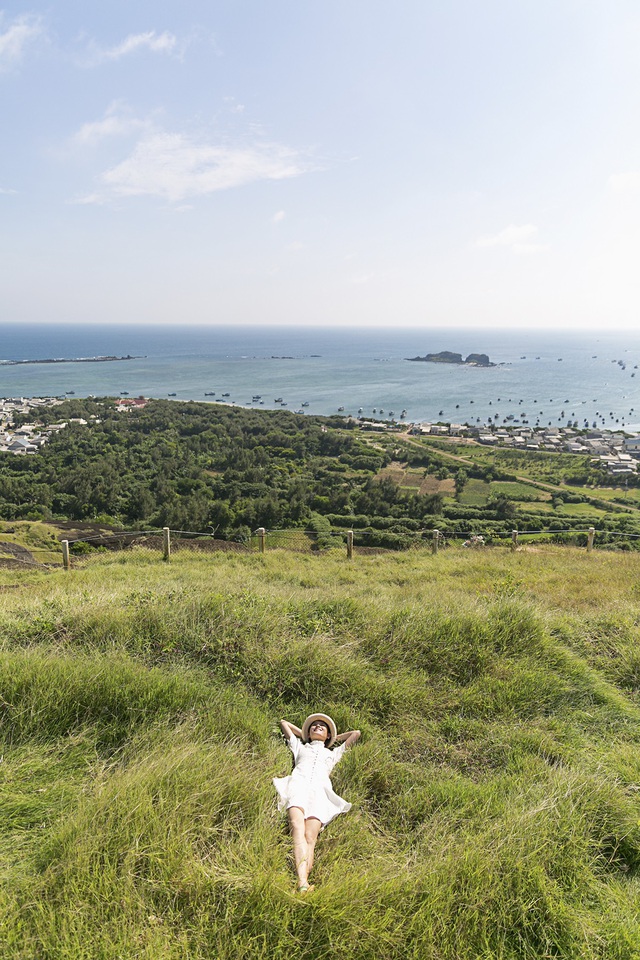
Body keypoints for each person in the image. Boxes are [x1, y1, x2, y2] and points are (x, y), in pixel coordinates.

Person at [274, 713, 361, 893]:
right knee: (296, 826)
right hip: (298, 785)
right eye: (314, 725)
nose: (317, 726)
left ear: (329, 735)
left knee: (310, 838)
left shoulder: (333, 753)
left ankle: (303, 884)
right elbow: (284, 724)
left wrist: (332, 738)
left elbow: (356, 734)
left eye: (322, 726)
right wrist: (306, 734)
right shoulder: (300, 746)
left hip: (320, 793)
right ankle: (302, 882)